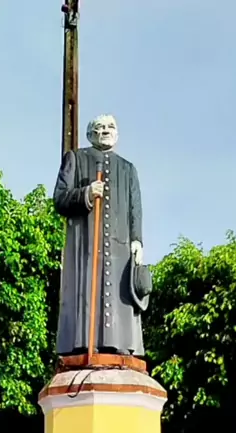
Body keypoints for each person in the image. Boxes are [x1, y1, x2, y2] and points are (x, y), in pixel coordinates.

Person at [53, 114, 151, 356]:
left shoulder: (128, 169)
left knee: (120, 296)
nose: (106, 130)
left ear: (117, 133)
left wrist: (137, 240)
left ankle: (121, 346)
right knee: (86, 294)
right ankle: (83, 344)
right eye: (100, 127)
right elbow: (60, 198)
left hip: (120, 246)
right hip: (85, 246)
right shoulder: (76, 158)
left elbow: (135, 208)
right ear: (90, 134)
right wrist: (86, 193)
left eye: (110, 126)